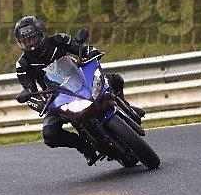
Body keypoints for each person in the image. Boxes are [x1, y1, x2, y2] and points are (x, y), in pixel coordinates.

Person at [13, 15, 143, 166]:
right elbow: (29, 92)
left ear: (41, 33)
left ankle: (127, 107)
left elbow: (81, 48)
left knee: (115, 79)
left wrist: (92, 51)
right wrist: (38, 103)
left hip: (80, 80)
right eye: (25, 41)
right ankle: (85, 147)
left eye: (32, 38)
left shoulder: (59, 39)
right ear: (20, 43)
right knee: (49, 134)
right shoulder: (22, 65)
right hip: (56, 97)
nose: (30, 44)